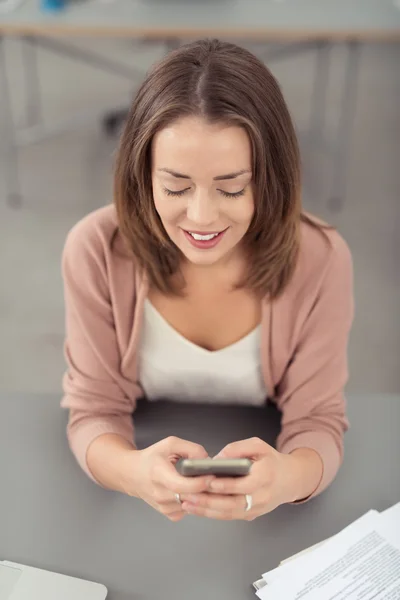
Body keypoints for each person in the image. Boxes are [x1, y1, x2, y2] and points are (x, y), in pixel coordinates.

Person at [61, 39, 354, 522]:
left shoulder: (321, 259)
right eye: (175, 187)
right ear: (143, 177)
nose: (201, 217)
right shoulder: (95, 249)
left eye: (232, 188)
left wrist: (287, 480)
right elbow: (93, 411)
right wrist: (132, 471)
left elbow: (318, 421)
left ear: (271, 178)